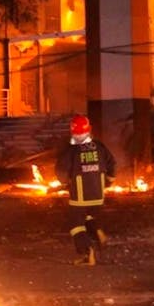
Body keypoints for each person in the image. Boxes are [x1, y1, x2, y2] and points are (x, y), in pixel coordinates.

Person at [55, 114, 117, 266]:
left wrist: (64, 184)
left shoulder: (72, 150)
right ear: (89, 129)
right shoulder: (100, 147)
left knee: (76, 224)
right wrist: (108, 181)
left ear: (72, 131)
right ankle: (96, 232)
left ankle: (86, 253)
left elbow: (61, 170)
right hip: (97, 194)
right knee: (89, 216)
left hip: (79, 195)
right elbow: (112, 164)